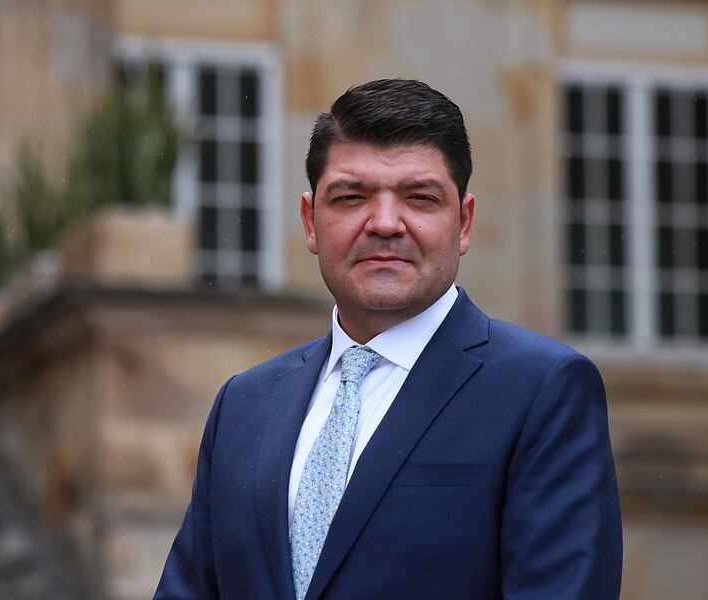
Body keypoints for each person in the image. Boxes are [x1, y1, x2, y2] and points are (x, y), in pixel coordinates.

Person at [155, 78, 622, 600]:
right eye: (351, 197)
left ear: (463, 223)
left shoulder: (542, 390)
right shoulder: (244, 405)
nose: (384, 223)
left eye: (419, 198)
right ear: (310, 222)